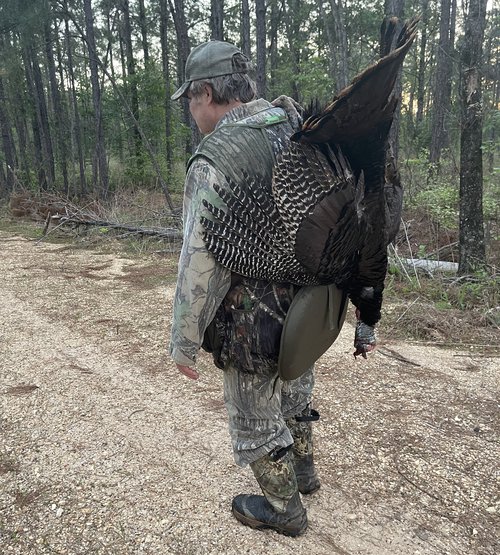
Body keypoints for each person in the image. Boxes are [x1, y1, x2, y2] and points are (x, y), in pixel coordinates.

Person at [169, 40, 326, 537]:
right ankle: (304, 468)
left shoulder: (217, 157)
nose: (191, 113)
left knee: (253, 413)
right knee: (297, 383)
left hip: (254, 316)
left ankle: (285, 509)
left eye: (190, 101)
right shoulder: (295, 126)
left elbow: (199, 261)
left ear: (207, 92)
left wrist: (184, 339)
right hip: (312, 302)